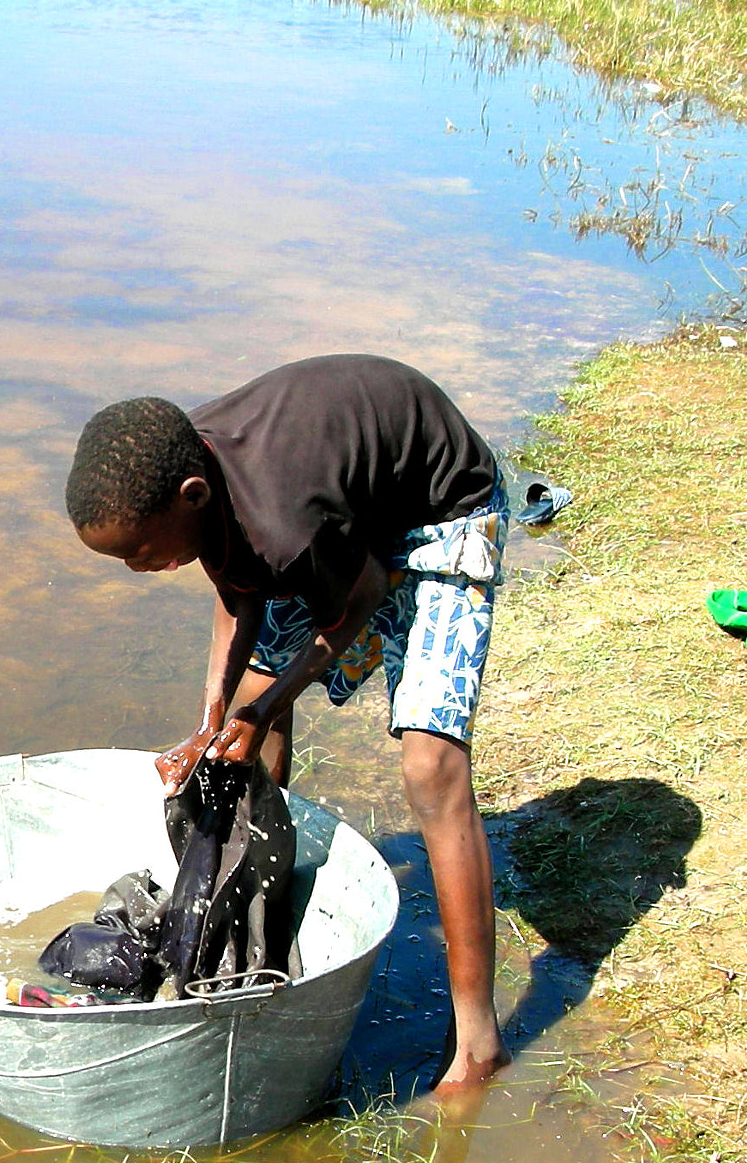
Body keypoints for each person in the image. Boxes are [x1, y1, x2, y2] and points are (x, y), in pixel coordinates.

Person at [65, 353, 512, 1091]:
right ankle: (250, 918)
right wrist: (215, 719)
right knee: (248, 728)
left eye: (141, 554)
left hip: (442, 511)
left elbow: (359, 598)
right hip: (344, 514)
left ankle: (478, 1043)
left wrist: (266, 703)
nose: (137, 569)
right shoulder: (188, 460)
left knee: (432, 767)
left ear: (194, 495)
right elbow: (239, 591)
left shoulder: (279, 520)